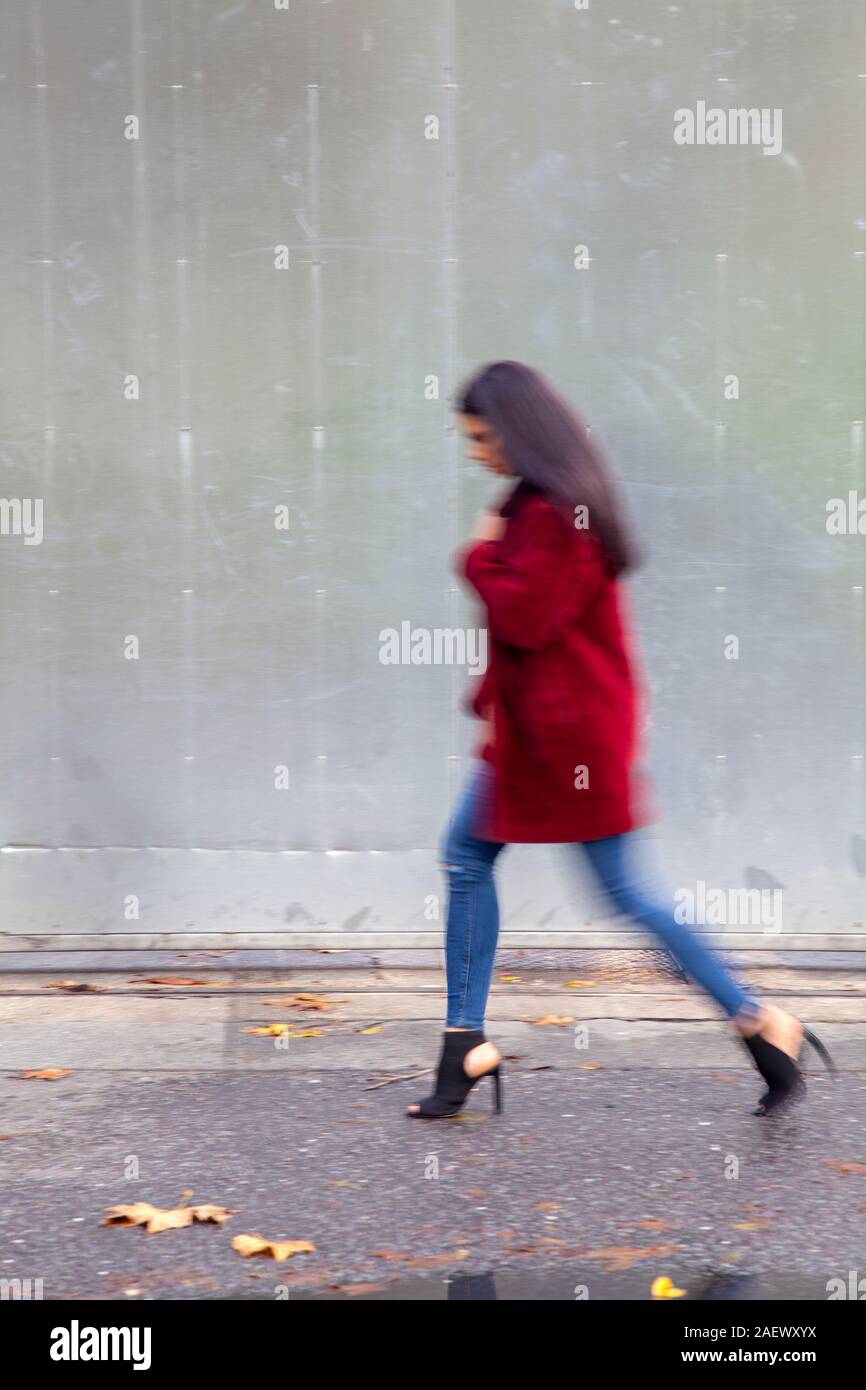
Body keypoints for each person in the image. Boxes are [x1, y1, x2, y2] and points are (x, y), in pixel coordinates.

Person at [407, 361, 834, 1121]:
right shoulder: (539, 504)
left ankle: (763, 1020)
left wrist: (475, 556)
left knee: (625, 893)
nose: (475, 453)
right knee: (467, 855)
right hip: (536, 732)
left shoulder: (558, 511)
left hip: (570, 742)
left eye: (481, 437)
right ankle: (462, 1043)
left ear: (515, 429)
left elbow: (528, 620)